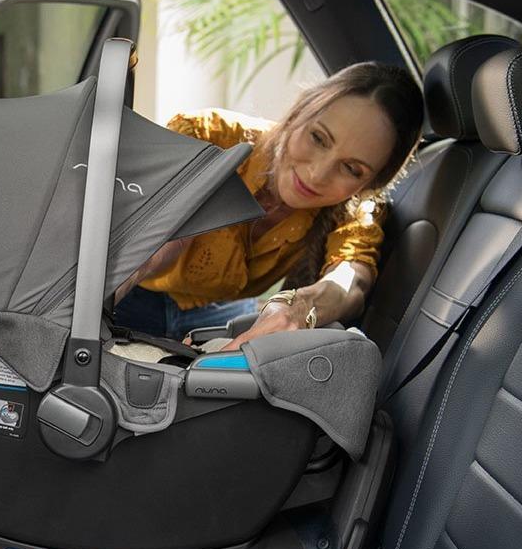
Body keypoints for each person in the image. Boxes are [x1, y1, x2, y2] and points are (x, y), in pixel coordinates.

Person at [113, 62, 424, 349]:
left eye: (352, 169)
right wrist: (137, 260)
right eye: (318, 137)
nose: (317, 174)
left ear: (371, 183)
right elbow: (153, 234)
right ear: (299, 111)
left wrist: (298, 308)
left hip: (223, 317)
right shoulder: (208, 136)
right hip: (130, 295)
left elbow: (349, 279)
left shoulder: (353, 208)